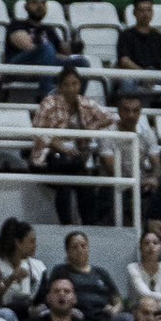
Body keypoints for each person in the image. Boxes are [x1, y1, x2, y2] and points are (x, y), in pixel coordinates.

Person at [31, 65, 114, 225]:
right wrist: (60, 146)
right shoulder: (49, 103)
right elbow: (38, 131)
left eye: (74, 84)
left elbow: (110, 117)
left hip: (75, 159)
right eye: (66, 84)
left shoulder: (85, 103)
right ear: (60, 86)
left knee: (86, 184)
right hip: (48, 158)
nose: (71, 88)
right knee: (65, 184)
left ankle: (90, 226)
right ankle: (66, 227)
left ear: (80, 85)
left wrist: (90, 128)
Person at [37, 232, 126, 321]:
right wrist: (67, 310)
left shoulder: (101, 272)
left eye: (83, 246)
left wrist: (114, 310)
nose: (80, 250)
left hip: (104, 316)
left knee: (127, 320)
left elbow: (118, 300)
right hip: (77, 316)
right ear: (67, 251)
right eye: (74, 247)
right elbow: (51, 297)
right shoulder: (61, 271)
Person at [5, 0, 87, 95]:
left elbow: (63, 50)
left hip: (48, 63)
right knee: (47, 48)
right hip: (21, 66)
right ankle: (45, 94)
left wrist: (74, 46)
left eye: (43, 3)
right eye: (35, 2)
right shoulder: (17, 24)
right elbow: (28, 47)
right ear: (26, 6)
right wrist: (51, 54)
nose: (40, 6)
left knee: (82, 63)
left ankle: (76, 101)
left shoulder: (48, 29)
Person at [98, 95, 161, 219]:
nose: (131, 115)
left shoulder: (147, 133)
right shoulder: (107, 133)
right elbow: (113, 169)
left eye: (135, 110)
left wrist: (154, 178)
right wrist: (136, 183)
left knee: (159, 193)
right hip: (114, 185)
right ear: (119, 111)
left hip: (141, 185)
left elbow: (157, 164)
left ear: (140, 112)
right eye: (126, 110)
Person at [0, 217, 46, 321]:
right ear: (18, 243)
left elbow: (43, 298)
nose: (35, 246)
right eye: (31, 241)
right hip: (3, 311)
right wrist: (11, 279)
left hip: (30, 311)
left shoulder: (39, 267)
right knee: (6, 315)